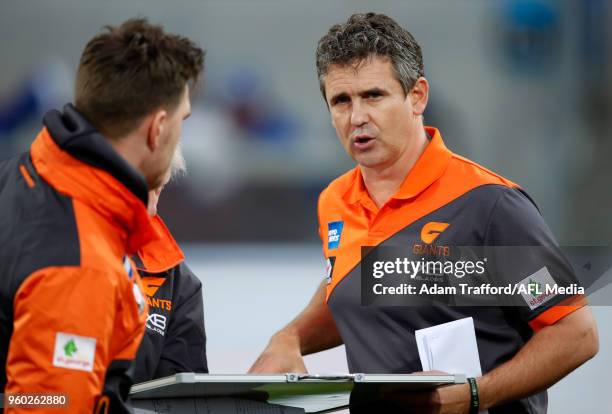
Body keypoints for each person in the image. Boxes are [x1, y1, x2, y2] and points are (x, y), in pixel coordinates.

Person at [249, 12, 598, 413]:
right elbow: (352, 286)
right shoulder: (335, 202)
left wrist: (471, 396)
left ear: (417, 96)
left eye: (373, 96)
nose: (357, 117)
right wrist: (289, 337)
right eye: (341, 101)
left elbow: (576, 332)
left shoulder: (488, 205)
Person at [0, 18, 204, 413]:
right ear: (157, 129)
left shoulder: (16, 179)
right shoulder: (79, 259)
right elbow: (52, 406)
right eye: (183, 121)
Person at [132, 147, 208, 383]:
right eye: (145, 187)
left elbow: (184, 399)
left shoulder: (178, 282)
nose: (153, 206)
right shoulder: (42, 252)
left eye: (159, 189)